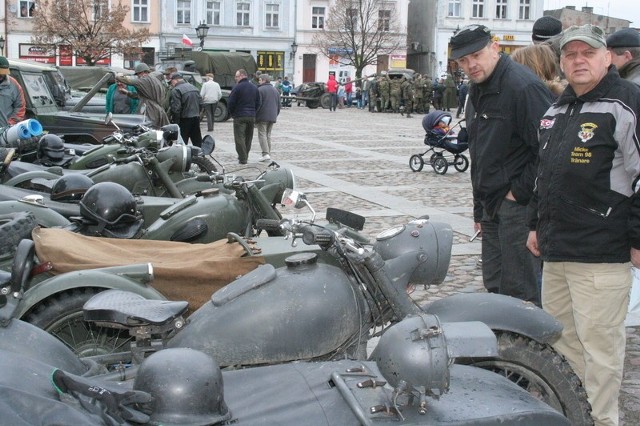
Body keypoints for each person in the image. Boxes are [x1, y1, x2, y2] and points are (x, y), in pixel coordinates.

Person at [526, 24, 640, 426]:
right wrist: (535, 224)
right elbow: (544, 174)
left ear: (607, 57)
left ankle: (604, 420)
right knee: (562, 345)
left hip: (600, 253)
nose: (578, 60)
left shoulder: (626, 104)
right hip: (557, 252)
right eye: (570, 54)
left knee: (600, 350)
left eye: (587, 53)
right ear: (561, 62)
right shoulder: (558, 108)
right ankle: (572, 415)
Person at [450, 24, 554, 305]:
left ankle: (527, 348)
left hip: (518, 207)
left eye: (476, 55)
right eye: (463, 60)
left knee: (520, 291)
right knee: (494, 283)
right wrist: (478, 209)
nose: (470, 65)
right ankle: (502, 344)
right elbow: (479, 153)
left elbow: (548, 150)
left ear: (494, 47)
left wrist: (517, 193)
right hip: (491, 206)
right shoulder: (477, 89)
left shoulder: (523, 87)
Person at [117, 63, 169, 129]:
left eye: (138, 74)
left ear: (143, 72)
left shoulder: (145, 80)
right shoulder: (154, 80)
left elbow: (128, 81)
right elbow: (143, 96)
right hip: (156, 109)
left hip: (150, 110)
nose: (138, 76)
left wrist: (118, 76)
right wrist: (127, 93)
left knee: (148, 130)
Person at [227, 68, 261, 164]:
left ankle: (243, 158)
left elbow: (231, 103)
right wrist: (254, 112)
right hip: (251, 116)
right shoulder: (254, 87)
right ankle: (245, 154)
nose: (235, 78)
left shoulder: (237, 88)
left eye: (237, 76)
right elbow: (259, 102)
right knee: (248, 137)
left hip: (239, 116)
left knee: (239, 137)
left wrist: (232, 113)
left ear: (242, 76)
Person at [169, 73, 203, 147]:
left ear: (175, 80)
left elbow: (176, 108)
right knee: (197, 140)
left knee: (182, 142)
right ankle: (200, 155)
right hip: (195, 117)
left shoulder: (176, 90)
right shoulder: (194, 87)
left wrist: (176, 122)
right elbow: (201, 103)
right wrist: (197, 113)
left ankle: (183, 156)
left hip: (184, 119)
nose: (171, 84)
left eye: (171, 82)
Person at [255, 74, 280, 162]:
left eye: (260, 80)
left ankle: (265, 154)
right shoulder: (275, 90)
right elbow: (278, 105)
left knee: (262, 134)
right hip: (272, 116)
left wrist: (255, 115)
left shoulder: (260, 90)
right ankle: (268, 153)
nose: (259, 81)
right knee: (268, 135)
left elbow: (257, 104)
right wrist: (275, 114)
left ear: (264, 80)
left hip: (262, 116)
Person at [0, 56, 26, 128]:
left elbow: (20, 106)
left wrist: (11, 124)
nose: (2, 75)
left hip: (5, 132)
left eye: (3, 73)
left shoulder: (14, 84)